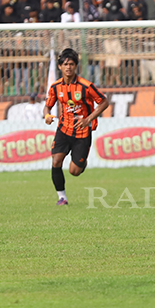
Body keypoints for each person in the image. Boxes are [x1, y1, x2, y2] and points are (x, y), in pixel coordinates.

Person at [44, 48, 110, 205]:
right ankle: (62, 197)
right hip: (64, 129)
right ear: (60, 66)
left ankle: (81, 163)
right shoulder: (55, 87)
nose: (68, 67)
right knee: (56, 161)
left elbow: (104, 102)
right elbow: (47, 106)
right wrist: (47, 115)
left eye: (72, 64)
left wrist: (88, 119)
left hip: (82, 132)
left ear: (76, 66)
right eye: (65, 64)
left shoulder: (86, 86)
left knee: (74, 171)